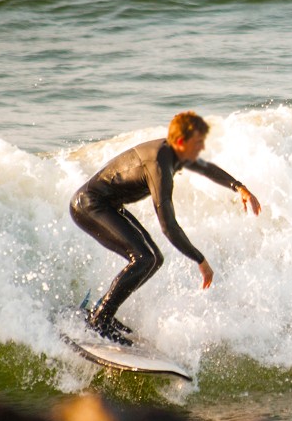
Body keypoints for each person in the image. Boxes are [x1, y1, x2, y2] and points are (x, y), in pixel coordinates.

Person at [69, 111, 261, 345]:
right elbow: (168, 226)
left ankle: (103, 311)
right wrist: (200, 260)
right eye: (197, 143)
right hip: (89, 205)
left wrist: (239, 187)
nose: (200, 149)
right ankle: (100, 319)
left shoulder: (175, 153)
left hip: (107, 205)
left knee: (153, 258)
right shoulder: (159, 165)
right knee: (141, 258)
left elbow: (207, 168)